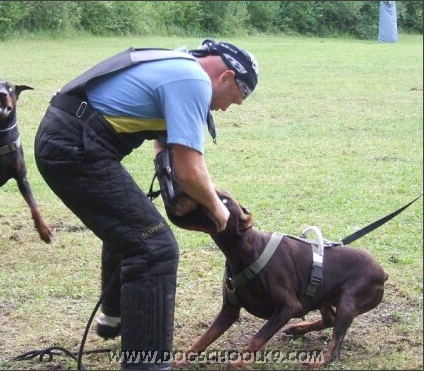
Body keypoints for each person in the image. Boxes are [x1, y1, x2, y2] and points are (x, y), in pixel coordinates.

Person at [34, 39, 258, 370]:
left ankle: (114, 316)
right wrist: (219, 207)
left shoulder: (179, 63)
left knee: (133, 230)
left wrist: (175, 185)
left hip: (72, 136)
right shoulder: (194, 80)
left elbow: (165, 142)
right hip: (74, 146)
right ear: (225, 77)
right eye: (234, 99)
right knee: (154, 247)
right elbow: (190, 169)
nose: (225, 108)